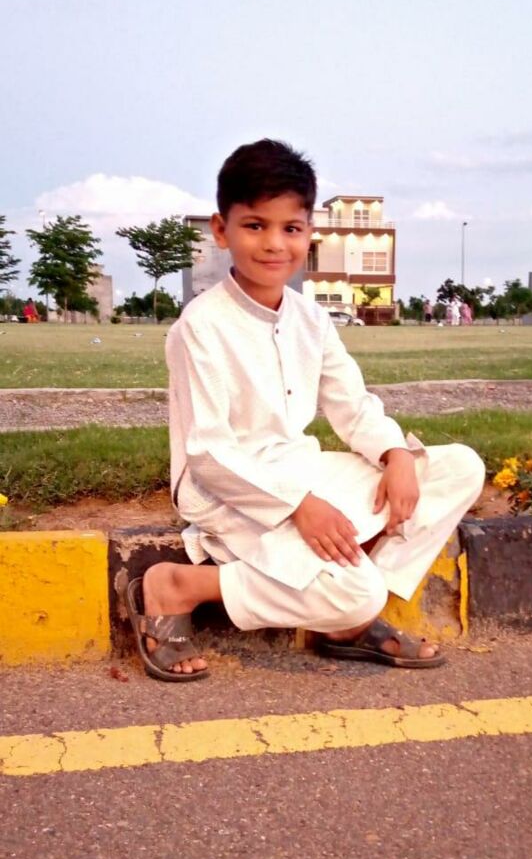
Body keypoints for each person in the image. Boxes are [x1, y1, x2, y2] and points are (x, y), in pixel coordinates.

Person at [125, 139, 485, 680]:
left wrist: (394, 454)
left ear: (309, 232)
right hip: (230, 494)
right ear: (221, 230)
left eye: (290, 228)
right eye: (255, 226)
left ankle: (349, 618)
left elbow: (352, 406)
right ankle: (180, 586)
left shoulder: (310, 318)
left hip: (302, 471)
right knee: (357, 591)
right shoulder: (201, 326)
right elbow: (209, 455)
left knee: (460, 467)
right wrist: (298, 506)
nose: (274, 243)